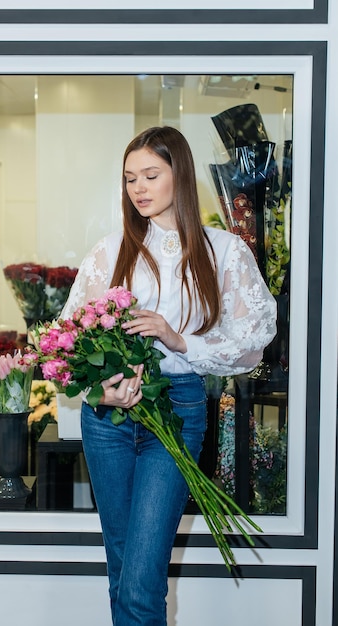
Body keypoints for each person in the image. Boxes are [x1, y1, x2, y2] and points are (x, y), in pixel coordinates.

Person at [61, 126, 277, 626]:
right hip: (107, 419)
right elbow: (69, 341)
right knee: (122, 573)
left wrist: (178, 339)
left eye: (151, 175)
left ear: (179, 175)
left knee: (140, 584)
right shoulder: (109, 251)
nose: (138, 188)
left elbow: (252, 345)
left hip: (177, 410)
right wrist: (103, 389)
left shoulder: (223, 251)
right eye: (130, 178)